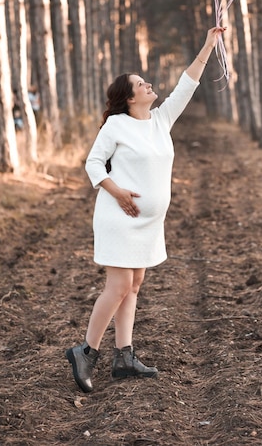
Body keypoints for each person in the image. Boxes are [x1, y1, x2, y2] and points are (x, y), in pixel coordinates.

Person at [65, 26, 225, 393]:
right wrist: (117, 191)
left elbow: (187, 84)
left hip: (149, 223)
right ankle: (86, 351)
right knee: (119, 284)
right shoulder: (117, 125)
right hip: (119, 217)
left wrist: (207, 46)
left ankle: (125, 356)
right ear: (128, 97)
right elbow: (92, 164)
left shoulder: (161, 121)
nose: (149, 84)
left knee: (135, 284)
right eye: (141, 83)